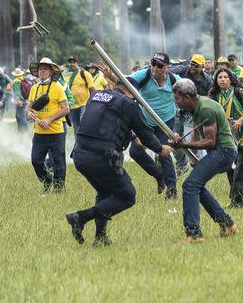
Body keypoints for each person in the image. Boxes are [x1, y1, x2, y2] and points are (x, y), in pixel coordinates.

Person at [66, 78, 173, 246]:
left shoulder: (97, 95)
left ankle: (100, 238)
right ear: (131, 92)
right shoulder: (128, 104)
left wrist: (131, 136)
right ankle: (81, 217)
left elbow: (104, 123)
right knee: (128, 196)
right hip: (101, 157)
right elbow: (147, 134)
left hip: (80, 155)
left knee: (105, 192)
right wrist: (160, 149)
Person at [101, 52, 181, 199]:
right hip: (145, 122)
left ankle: (172, 190)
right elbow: (125, 85)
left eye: (159, 66)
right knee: (135, 152)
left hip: (166, 122)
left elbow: (187, 93)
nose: (155, 68)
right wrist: (111, 76)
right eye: (153, 64)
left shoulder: (175, 79)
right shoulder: (143, 75)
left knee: (164, 153)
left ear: (167, 67)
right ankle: (159, 175)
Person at [169, 79, 238, 243]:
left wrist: (183, 144)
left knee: (190, 185)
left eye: (177, 98)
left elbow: (210, 141)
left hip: (224, 152)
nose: (175, 101)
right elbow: (197, 132)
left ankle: (194, 234)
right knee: (196, 186)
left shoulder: (206, 108)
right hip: (217, 151)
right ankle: (227, 224)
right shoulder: (195, 107)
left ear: (187, 97)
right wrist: (193, 155)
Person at [210, 67, 243, 208]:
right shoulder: (213, 96)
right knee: (229, 167)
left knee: (241, 168)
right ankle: (235, 197)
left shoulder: (239, 92)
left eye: (225, 77)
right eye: (220, 77)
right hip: (226, 136)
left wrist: (241, 120)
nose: (223, 79)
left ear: (231, 80)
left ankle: (237, 202)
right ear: (216, 80)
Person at [27, 58, 71, 192]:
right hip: (39, 133)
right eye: (40, 69)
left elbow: (66, 108)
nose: (42, 71)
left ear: (51, 72)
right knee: (36, 161)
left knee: (59, 162)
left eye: (45, 69)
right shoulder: (34, 88)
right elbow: (29, 107)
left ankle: (59, 189)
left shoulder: (57, 87)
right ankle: (47, 179)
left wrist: (50, 120)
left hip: (56, 132)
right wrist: (29, 113)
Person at [63, 56, 95, 131]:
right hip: (72, 105)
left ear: (78, 63)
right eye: (70, 62)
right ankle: (77, 142)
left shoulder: (84, 74)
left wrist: (93, 102)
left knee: (82, 123)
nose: (71, 64)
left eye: (74, 62)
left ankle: (85, 141)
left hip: (84, 103)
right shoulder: (67, 75)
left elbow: (92, 89)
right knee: (76, 126)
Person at [11, 67, 30, 132]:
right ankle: (22, 131)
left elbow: (17, 92)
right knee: (22, 115)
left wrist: (18, 100)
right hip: (25, 100)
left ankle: (24, 131)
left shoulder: (16, 81)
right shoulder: (23, 79)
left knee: (20, 116)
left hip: (20, 101)